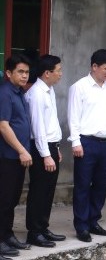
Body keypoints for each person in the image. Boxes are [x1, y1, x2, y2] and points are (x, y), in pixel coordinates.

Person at [67, 49, 106, 243]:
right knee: (82, 185)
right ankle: (81, 225)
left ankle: (93, 220)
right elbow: (73, 117)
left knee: (101, 184)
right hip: (86, 142)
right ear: (94, 66)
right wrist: (75, 142)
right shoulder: (79, 87)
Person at [25, 54, 67, 248]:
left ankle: (43, 227)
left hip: (50, 146)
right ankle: (34, 232)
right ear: (47, 73)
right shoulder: (36, 94)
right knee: (39, 190)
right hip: (40, 148)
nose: (60, 74)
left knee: (48, 190)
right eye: (58, 70)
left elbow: (50, 125)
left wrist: (55, 148)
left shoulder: (48, 90)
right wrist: (45, 155)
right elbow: (38, 128)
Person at [0, 54, 33, 260]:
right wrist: (21, 150)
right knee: (4, 199)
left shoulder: (19, 92)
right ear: (9, 73)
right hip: (8, 156)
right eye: (20, 71)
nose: (24, 75)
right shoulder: (4, 93)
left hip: (18, 157)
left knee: (12, 199)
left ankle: (7, 235)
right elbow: (3, 126)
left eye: (27, 72)